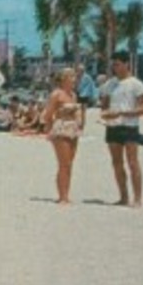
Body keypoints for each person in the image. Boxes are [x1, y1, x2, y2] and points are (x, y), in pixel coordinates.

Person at [102, 51, 143, 207]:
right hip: (113, 126)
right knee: (116, 163)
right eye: (113, 65)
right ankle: (123, 196)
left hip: (129, 126)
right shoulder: (109, 84)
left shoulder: (136, 84)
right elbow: (104, 107)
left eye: (117, 64)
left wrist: (122, 113)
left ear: (126, 64)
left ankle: (137, 198)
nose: (115, 68)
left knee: (133, 162)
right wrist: (107, 114)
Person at [40, 68, 85, 205]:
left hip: (73, 129)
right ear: (64, 78)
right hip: (61, 128)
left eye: (74, 76)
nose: (74, 79)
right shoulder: (56, 94)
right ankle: (62, 196)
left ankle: (66, 194)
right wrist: (50, 128)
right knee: (63, 163)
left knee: (70, 163)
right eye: (71, 76)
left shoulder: (73, 95)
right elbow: (48, 114)